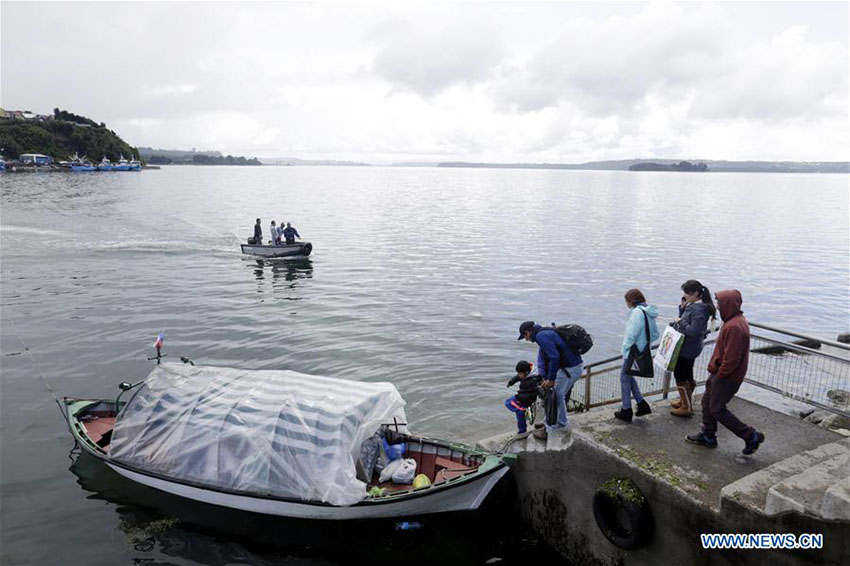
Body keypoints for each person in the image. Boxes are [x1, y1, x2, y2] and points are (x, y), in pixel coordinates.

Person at [686, 290, 765, 454]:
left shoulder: (734, 327)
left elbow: (731, 359)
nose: (718, 307)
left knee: (717, 409)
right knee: (707, 402)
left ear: (727, 305)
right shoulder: (734, 321)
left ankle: (750, 435)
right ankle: (708, 435)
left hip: (727, 376)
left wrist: (719, 375)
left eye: (719, 304)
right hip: (720, 372)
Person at [518, 320, 583, 440]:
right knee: (558, 395)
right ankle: (551, 421)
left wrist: (551, 379)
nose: (526, 339)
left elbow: (554, 357)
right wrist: (548, 377)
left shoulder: (541, 336)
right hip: (573, 367)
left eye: (525, 336)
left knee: (557, 396)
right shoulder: (545, 332)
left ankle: (555, 426)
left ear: (528, 332)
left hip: (570, 369)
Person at [669, 280, 716, 417]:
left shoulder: (698, 309)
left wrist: (680, 321)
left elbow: (693, 331)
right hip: (693, 347)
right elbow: (689, 321)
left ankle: (686, 406)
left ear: (696, 293)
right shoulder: (699, 307)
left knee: (679, 374)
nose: (685, 295)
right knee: (687, 372)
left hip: (687, 347)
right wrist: (683, 308)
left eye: (687, 293)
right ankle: (686, 400)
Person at [615, 289, 659, 422]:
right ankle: (641, 404)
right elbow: (655, 334)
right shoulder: (648, 311)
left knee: (624, 377)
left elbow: (631, 334)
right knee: (628, 375)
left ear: (630, 301)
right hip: (643, 349)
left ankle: (626, 410)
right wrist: (644, 343)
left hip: (633, 350)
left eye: (626, 301)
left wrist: (626, 348)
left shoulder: (636, 313)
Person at [505, 361, 544, 437]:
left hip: (525, 399)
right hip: (523, 396)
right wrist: (510, 383)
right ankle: (522, 431)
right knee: (519, 415)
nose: (519, 375)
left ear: (526, 372)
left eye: (520, 374)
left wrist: (543, 396)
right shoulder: (524, 374)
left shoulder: (534, 380)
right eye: (519, 373)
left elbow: (539, 390)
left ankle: (523, 409)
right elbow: (516, 377)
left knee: (508, 402)